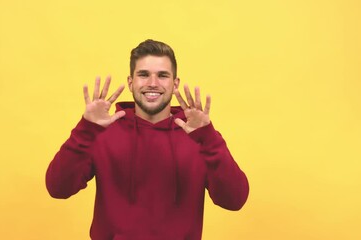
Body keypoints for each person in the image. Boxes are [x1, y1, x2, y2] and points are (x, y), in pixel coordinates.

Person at [46, 39, 249, 240]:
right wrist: (86, 130)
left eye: (162, 75)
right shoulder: (101, 132)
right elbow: (58, 188)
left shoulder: (199, 136)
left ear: (175, 83)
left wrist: (208, 138)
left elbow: (234, 200)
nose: (153, 83)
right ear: (130, 82)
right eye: (143, 75)